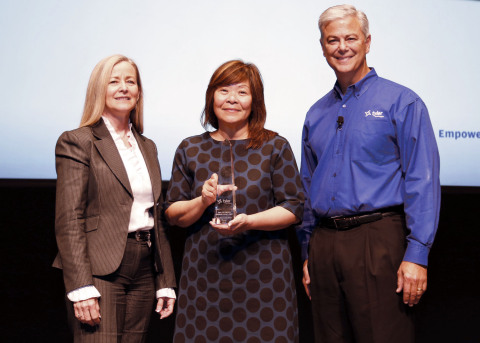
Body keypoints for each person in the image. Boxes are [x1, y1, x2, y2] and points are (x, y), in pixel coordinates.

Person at [297, 5, 441, 343]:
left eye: (351, 38)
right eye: (333, 40)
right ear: (322, 46)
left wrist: (417, 255)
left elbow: (422, 180)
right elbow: (306, 187)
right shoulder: (316, 113)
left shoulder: (402, 102)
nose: (342, 47)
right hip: (324, 245)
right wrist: (307, 253)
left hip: (379, 240)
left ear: (368, 41)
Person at [165, 60, 304, 342]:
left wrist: (250, 221)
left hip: (265, 278)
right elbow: (172, 214)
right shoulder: (190, 148)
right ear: (211, 96)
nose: (231, 99)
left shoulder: (275, 146)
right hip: (204, 276)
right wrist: (202, 201)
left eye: (242, 92)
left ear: (255, 101)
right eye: (223, 90)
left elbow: (294, 207)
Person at [53, 54, 176, 342]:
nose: (124, 88)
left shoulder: (148, 146)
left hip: (144, 268)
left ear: (138, 92)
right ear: (99, 89)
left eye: (130, 81)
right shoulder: (78, 141)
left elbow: (156, 218)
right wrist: (81, 286)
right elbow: (69, 220)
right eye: (114, 81)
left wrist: (166, 281)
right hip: (99, 269)